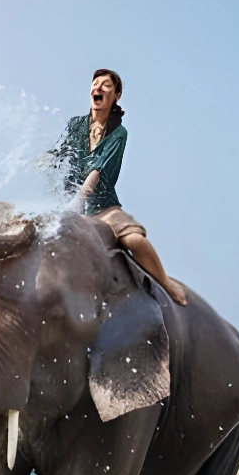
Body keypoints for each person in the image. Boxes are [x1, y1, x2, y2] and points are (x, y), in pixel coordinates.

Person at [56, 69, 187, 305]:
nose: (98, 88)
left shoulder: (118, 133)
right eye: (95, 83)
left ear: (116, 95)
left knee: (135, 240)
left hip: (103, 207)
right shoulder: (75, 125)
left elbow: (99, 167)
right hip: (70, 204)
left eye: (106, 85)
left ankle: (164, 282)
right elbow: (60, 155)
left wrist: (80, 199)